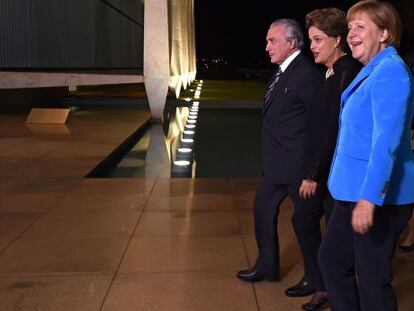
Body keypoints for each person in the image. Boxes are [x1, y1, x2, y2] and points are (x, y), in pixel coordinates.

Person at [318, 1, 414, 311]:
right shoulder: (372, 70)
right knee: (332, 260)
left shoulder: (391, 72)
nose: (351, 34)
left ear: (385, 33)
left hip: (377, 197)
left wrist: (370, 198)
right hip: (353, 191)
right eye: (350, 28)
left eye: (361, 27)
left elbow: (385, 142)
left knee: (372, 279)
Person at [237, 18, 324, 297]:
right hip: (277, 167)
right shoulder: (281, 72)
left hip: (300, 170)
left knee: (306, 224)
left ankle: (316, 278)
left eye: (272, 41)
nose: (266, 47)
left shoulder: (307, 74)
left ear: (291, 42)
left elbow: (319, 127)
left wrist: (312, 172)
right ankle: (267, 266)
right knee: (262, 209)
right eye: (267, 41)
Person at [298, 8, 362, 311]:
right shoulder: (331, 72)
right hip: (327, 172)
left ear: (338, 40)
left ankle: (332, 293)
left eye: (318, 39)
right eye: (311, 39)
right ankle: (324, 288)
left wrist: (312, 173)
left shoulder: (346, 70)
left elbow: (334, 129)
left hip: (336, 175)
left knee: (336, 251)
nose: (312, 45)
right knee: (307, 222)